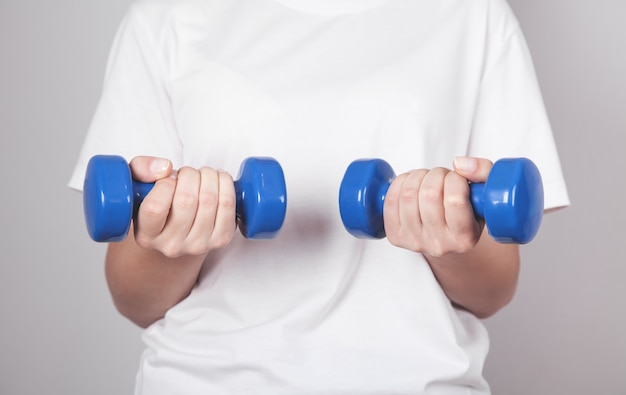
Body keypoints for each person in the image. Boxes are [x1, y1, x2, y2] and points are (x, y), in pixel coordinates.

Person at [69, 0, 570, 393]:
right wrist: (177, 235)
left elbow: (492, 291)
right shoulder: (164, 19)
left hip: (414, 383)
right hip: (205, 381)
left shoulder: (473, 15)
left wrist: (451, 232)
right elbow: (133, 298)